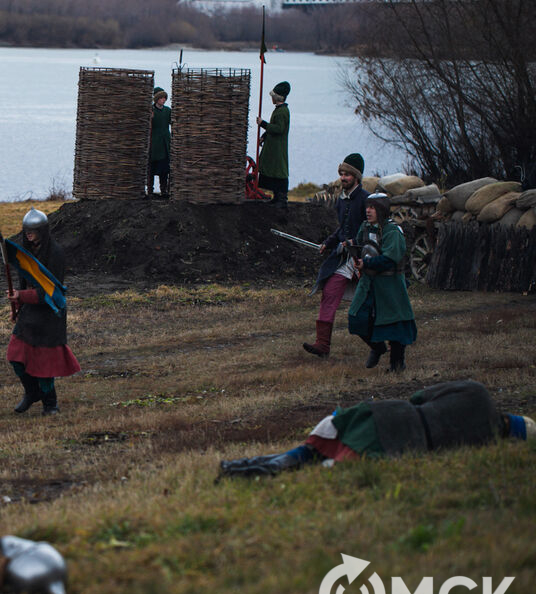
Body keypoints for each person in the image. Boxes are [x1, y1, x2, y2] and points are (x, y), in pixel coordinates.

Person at [219, 380, 535, 478]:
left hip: (392, 414)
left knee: (316, 446)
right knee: (323, 464)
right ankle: (250, 474)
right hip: (404, 441)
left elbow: (420, 396)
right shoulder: (480, 448)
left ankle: (239, 466)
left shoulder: (477, 392)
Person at [6, 208, 81, 416]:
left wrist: (21, 296)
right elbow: (24, 282)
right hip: (29, 314)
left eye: (33, 230)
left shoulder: (55, 253)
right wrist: (17, 308)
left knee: (44, 364)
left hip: (50, 314)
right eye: (27, 230)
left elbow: (50, 293)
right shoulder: (26, 252)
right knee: (15, 356)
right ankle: (32, 393)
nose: (29, 234)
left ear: (42, 230)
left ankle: (50, 403)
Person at [302, 153, 370, 359]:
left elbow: (370, 231)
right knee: (330, 291)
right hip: (344, 259)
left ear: (356, 177)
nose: (343, 178)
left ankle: (386, 344)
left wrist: (354, 243)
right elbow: (342, 229)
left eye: (347, 174)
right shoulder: (341, 201)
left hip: (365, 258)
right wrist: (329, 243)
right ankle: (323, 344)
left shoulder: (367, 200)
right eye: (341, 174)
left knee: (372, 303)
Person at [347, 193, 416, 372]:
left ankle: (397, 365)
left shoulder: (392, 231)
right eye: (367, 207)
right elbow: (361, 245)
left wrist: (367, 263)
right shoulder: (365, 226)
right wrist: (350, 247)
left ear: (382, 210)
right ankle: (377, 347)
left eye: (373, 207)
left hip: (389, 283)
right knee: (356, 316)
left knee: (395, 325)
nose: (368, 211)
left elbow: (390, 258)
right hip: (369, 282)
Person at [255, 81, 290, 209]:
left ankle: (282, 199)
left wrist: (263, 123)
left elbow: (279, 129)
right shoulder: (279, 111)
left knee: (279, 171)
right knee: (274, 171)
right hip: (273, 146)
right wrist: (264, 137)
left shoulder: (282, 112)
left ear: (277, 97)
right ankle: (277, 197)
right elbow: (274, 128)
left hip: (277, 148)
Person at [149, 87, 172, 199]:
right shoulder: (151, 110)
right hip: (154, 144)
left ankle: (164, 191)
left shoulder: (168, 111)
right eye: (161, 98)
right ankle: (150, 190)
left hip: (165, 143)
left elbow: (173, 122)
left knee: (164, 169)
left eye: (164, 98)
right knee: (151, 168)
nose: (163, 100)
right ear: (156, 98)